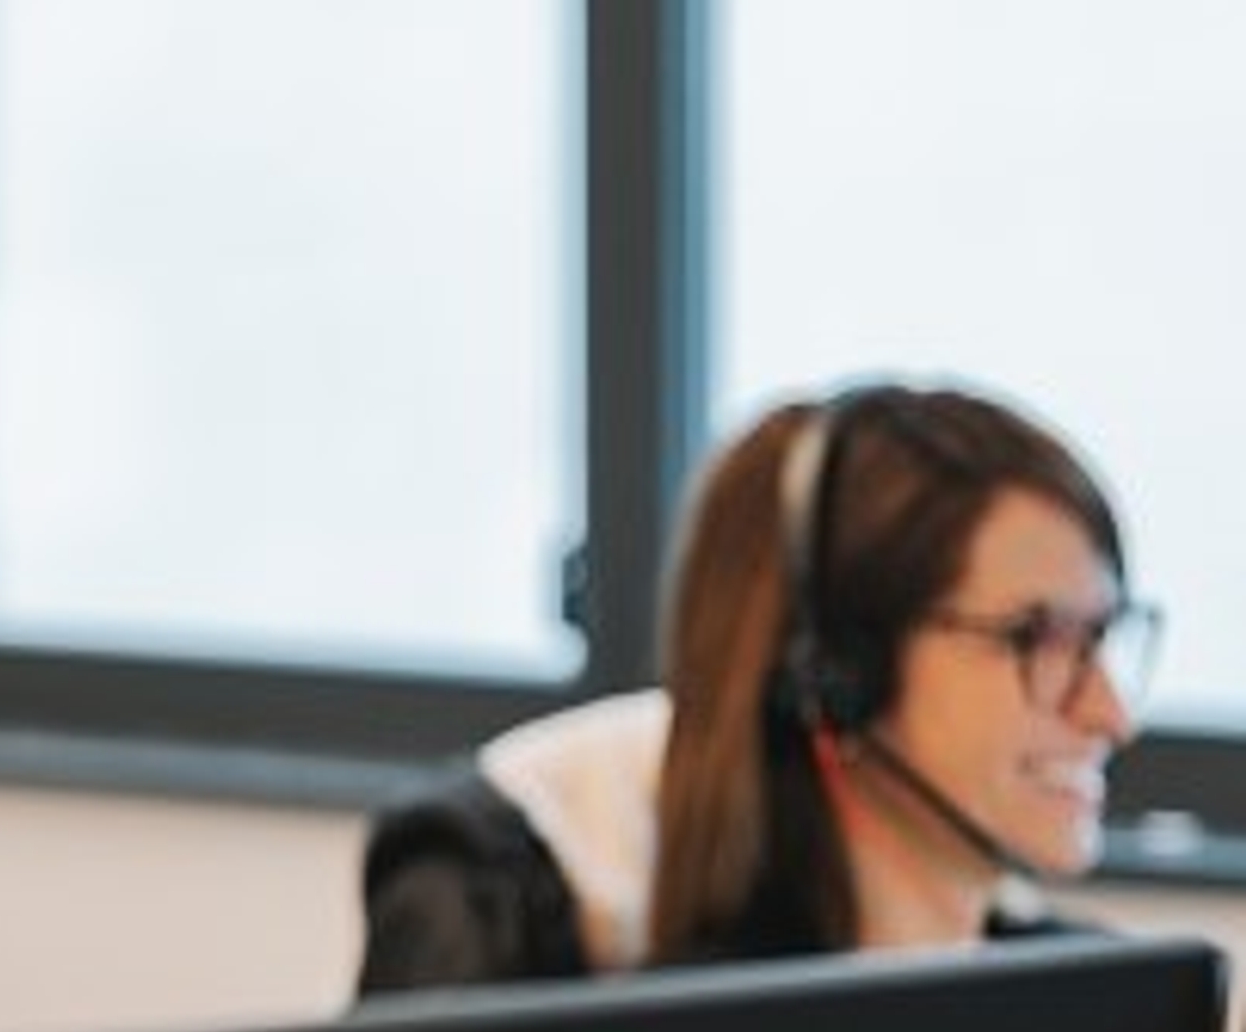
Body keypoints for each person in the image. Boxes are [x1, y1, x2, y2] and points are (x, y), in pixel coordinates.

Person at [356, 379, 1153, 990]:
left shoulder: (1098, 1002)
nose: (1109, 715)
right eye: (1038, 642)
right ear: (839, 671)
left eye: (1105, 639)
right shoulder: (502, 907)